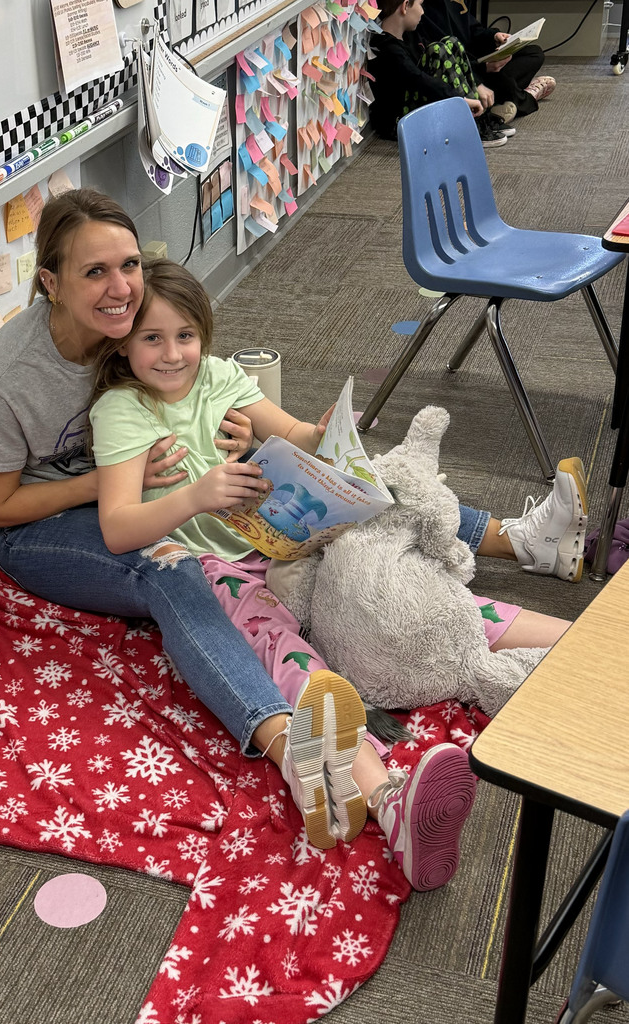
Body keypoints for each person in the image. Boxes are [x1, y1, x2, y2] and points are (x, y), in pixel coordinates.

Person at [0, 187, 479, 890]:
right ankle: (285, 742)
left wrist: (262, 436)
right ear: (48, 281)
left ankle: (507, 537)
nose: (120, 289)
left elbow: (211, 378)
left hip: (160, 498)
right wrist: (116, 478)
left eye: (129, 265)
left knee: (364, 487)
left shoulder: (142, 328)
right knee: (169, 568)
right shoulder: (10, 380)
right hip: (43, 529)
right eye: (94, 273)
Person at [86, 257, 576, 886]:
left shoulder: (219, 377)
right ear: (124, 346)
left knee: (407, 592)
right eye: (152, 338)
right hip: (213, 563)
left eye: (186, 335)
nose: (174, 354)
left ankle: (586, 647)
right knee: (288, 657)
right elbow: (117, 527)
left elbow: (292, 434)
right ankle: (390, 800)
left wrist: (320, 439)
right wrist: (195, 497)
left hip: (293, 542)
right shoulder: (122, 411)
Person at [368, 0, 510, 147]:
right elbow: (419, 80)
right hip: (400, 122)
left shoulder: (411, 37)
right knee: (437, 50)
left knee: (451, 42)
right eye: (420, 5)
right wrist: (459, 100)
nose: (422, 11)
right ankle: (469, 123)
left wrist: (482, 67)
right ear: (405, 7)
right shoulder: (387, 47)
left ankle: (476, 120)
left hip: (415, 106)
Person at [417, 0, 555, 121]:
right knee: (494, 77)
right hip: (459, 69)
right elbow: (445, 59)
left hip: (475, 58)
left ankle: (500, 98)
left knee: (534, 53)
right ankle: (524, 97)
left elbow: (473, 29)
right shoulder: (423, 9)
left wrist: (494, 36)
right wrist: (482, 68)